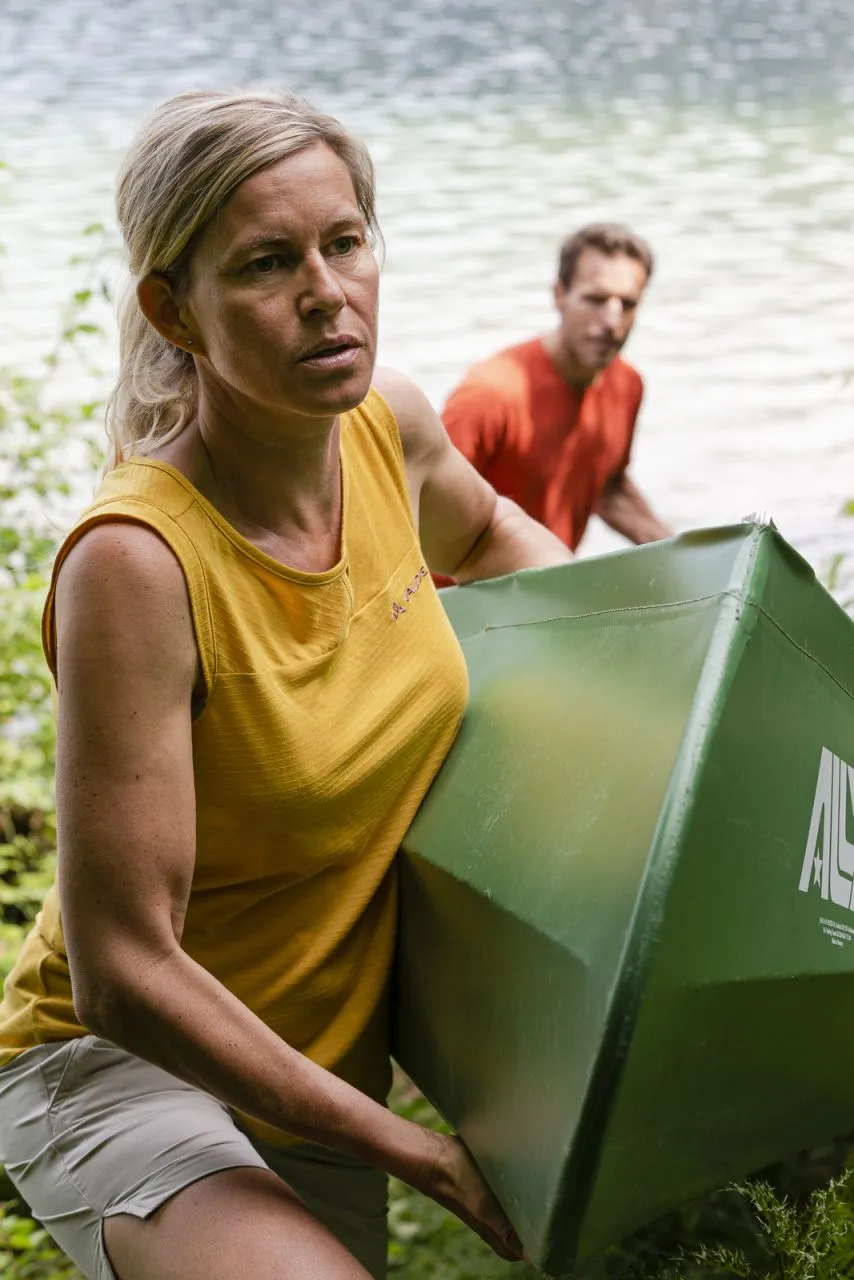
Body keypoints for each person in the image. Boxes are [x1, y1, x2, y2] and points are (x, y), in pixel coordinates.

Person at [0, 91, 572, 1280]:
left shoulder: (387, 426)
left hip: (312, 1070)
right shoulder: (137, 564)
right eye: (267, 262)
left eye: (344, 241)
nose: (326, 291)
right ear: (175, 310)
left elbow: (507, 537)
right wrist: (417, 1153)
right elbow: (124, 969)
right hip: (122, 1063)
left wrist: (642, 709)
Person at [441, 222, 671, 565]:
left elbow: (606, 487)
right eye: (595, 299)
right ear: (559, 295)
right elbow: (417, 507)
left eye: (627, 304)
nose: (612, 320)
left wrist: (683, 554)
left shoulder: (628, 385)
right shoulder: (489, 395)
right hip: (458, 603)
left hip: (551, 588)